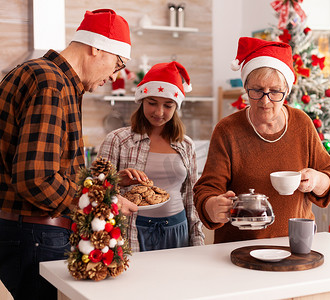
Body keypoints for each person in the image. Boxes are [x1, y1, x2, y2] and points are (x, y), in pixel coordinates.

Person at [0, 9, 138, 300]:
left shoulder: (39, 74)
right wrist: (104, 202)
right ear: (96, 48)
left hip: (22, 231)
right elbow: (37, 179)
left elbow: (48, 168)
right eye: (117, 64)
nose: (114, 76)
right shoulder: (51, 83)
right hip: (35, 233)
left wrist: (103, 188)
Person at [194, 37, 330, 243]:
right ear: (245, 88)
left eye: (274, 91)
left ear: (287, 91)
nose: (265, 100)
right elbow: (206, 190)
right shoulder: (227, 130)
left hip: (295, 244)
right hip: (239, 247)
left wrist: (316, 180)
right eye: (256, 90)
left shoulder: (302, 124)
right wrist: (212, 206)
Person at [98, 61, 205, 253]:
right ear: (141, 101)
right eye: (152, 103)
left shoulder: (186, 145)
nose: (159, 112)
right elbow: (95, 192)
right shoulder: (117, 140)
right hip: (132, 230)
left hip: (178, 229)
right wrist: (116, 182)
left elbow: (191, 197)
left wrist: (197, 242)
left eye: (168, 105)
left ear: (176, 106)